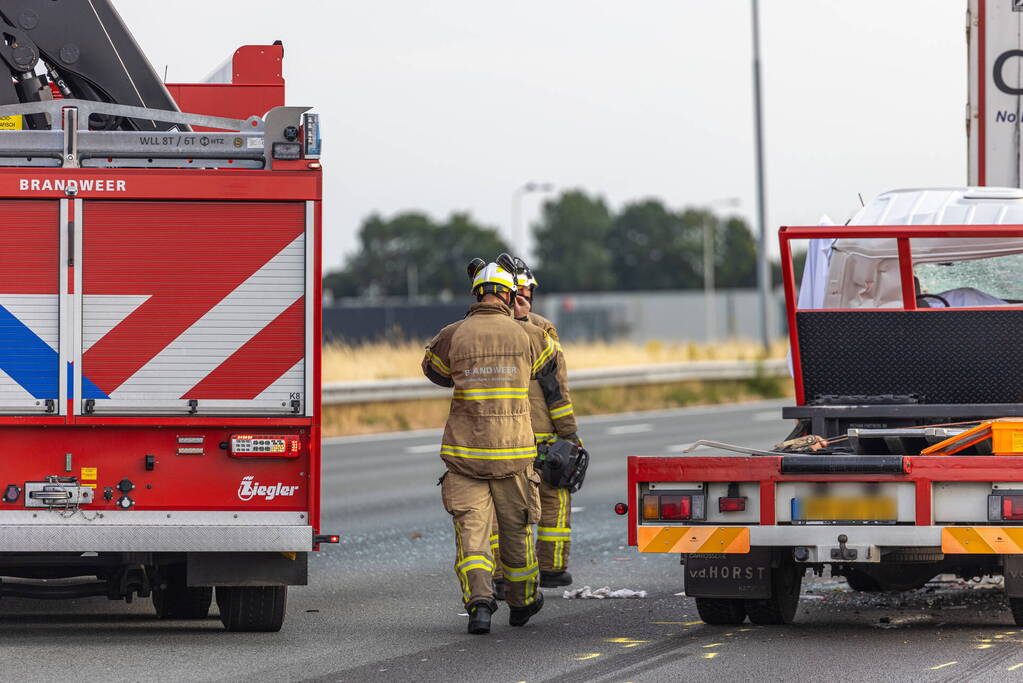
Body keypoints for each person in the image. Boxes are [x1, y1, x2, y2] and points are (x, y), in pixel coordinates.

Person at [422, 257, 569, 635]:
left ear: (475, 293)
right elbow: (547, 364)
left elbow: (435, 371)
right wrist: (521, 322)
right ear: (509, 294)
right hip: (514, 457)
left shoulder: (453, 333)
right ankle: (521, 605)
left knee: (473, 537)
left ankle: (480, 605)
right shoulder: (530, 334)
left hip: (465, 457)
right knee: (517, 533)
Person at [492, 261, 582, 600]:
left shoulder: (476, 330)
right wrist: (569, 435)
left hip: (497, 438)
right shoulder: (540, 331)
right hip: (542, 435)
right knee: (553, 498)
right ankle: (551, 569)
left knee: (501, 509)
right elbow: (556, 389)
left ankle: (501, 577)